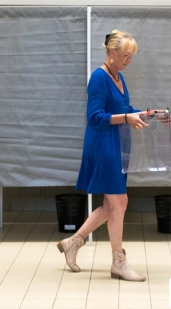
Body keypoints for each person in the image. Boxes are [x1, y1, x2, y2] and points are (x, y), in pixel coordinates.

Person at [57, 30, 149, 282]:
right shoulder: (99, 78)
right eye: (126, 56)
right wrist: (126, 118)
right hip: (102, 146)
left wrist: (149, 113)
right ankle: (118, 261)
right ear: (111, 52)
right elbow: (94, 117)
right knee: (119, 203)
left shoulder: (118, 77)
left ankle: (73, 242)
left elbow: (125, 110)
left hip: (115, 145)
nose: (129, 60)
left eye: (132, 57)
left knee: (111, 205)